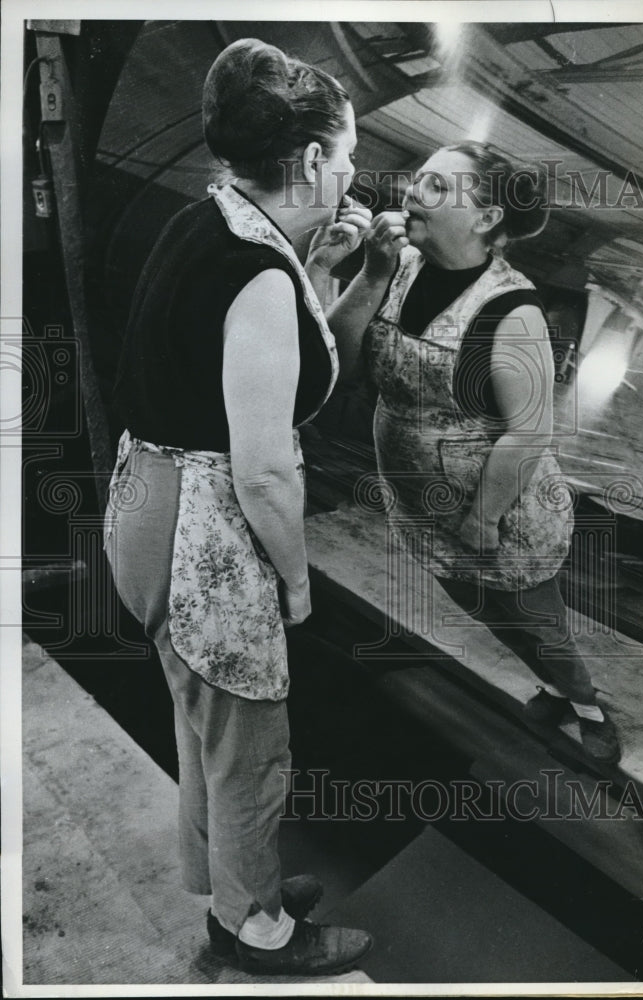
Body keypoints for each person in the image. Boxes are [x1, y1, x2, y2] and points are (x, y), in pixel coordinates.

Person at [103, 39, 374, 976]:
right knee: (251, 743)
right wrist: (297, 580)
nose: (348, 177)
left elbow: (258, 343)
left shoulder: (214, 219)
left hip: (144, 499)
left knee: (201, 720)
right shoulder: (260, 278)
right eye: (344, 160)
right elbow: (264, 471)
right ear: (307, 162)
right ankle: (255, 927)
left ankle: (224, 880)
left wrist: (322, 268)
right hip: (201, 532)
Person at [325, 141, 621, 765]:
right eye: (417, 180)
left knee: (537, 619)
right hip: (425, 505)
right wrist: (372, 272)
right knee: (483, 610)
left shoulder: (512, 309)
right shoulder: (397, 265)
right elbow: (341, 362)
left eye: (436, 186)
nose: (412, 192)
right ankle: (553, 688)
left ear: (486, 218)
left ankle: (590, 706)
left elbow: (529, 431)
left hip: (503, 516)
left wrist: (482, 518)